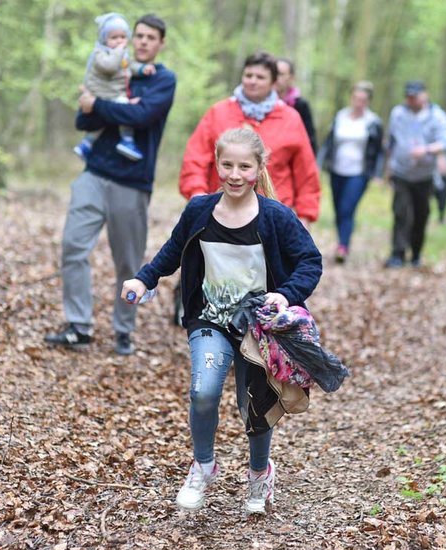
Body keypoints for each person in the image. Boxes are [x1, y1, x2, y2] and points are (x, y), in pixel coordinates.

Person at [121, 127, 323, 514]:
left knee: (255, 404)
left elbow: (310, 261)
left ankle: (260, 474)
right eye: (226, 164)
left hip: (259, 328)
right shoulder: (200, 209)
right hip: (209, 320)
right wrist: (143, 278)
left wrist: (286, 294)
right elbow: (173, 250)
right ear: (216, 164)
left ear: (259, 168)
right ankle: (203, 465)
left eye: (244, 166)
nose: (234, 174)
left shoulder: (275, 217)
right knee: (203, 392)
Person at [44, 14, 175, 355]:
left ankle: (123, 330)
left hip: (132, 182)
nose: (143, 41)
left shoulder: (163, 80)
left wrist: (100, 105)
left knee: (128, 262)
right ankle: (78, 326)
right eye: (139, 36)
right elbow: (82, 118)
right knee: (73, 247)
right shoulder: (111, 66)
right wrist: (106, 106)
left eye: (150, 37)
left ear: (161, 43)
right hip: (94, 173)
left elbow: (143, 116)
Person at [180, 51, 320, 227]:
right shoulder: (218, 112)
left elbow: (306, 172)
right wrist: (197, 195)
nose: (252, 81)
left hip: (274, 217)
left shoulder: (291, 119)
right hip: (220, 213)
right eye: (248, 75)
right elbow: (195, 158)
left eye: (260, 77)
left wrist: (305, 216)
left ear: (273, 82)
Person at [383, 80, 446, 268]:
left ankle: (416, 253)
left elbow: (445, 142)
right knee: (400, 212)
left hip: (424, 175)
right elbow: (391, 141)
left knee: (421, 215)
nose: (411, 100)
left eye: (414, 96)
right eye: (408, 97)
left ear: (424, 95)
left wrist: (426, 150)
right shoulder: (398, 113)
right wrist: (388, 169)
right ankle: (397, 253)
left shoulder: (437, 116)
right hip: (401, 172)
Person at [72, 13, 154, 162]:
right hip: (102, 92)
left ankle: (86, 144)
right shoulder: (100, 53)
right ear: (104, 39)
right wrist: (118, 51)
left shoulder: (123, 54)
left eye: (122, 37)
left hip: (111, 93)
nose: (119, 41)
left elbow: (129, 66)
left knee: (101, 124)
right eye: (114, 38)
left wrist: (142, 69)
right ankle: (127, 141)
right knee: (123, 107)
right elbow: (109, 66)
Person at [318, 80, 384, 262]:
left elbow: (379, 151)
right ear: (351, 98)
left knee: (348, 208)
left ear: (368, 101)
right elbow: (328, 143)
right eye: (356, 98)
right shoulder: (340, 117)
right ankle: (341, 241)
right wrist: (319, 163)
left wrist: (378, 174)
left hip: (359, 173)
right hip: (337, 170)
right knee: (339, 209)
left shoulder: (373, 122)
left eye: (363, 99)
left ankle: (343, 246)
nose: (359, 102)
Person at [275, 58, 317, 154]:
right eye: (274, 73)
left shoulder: (300, 105)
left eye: (281, 74)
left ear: (291, 78)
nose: (276, 78)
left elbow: (310, 140)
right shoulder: (261, 103)